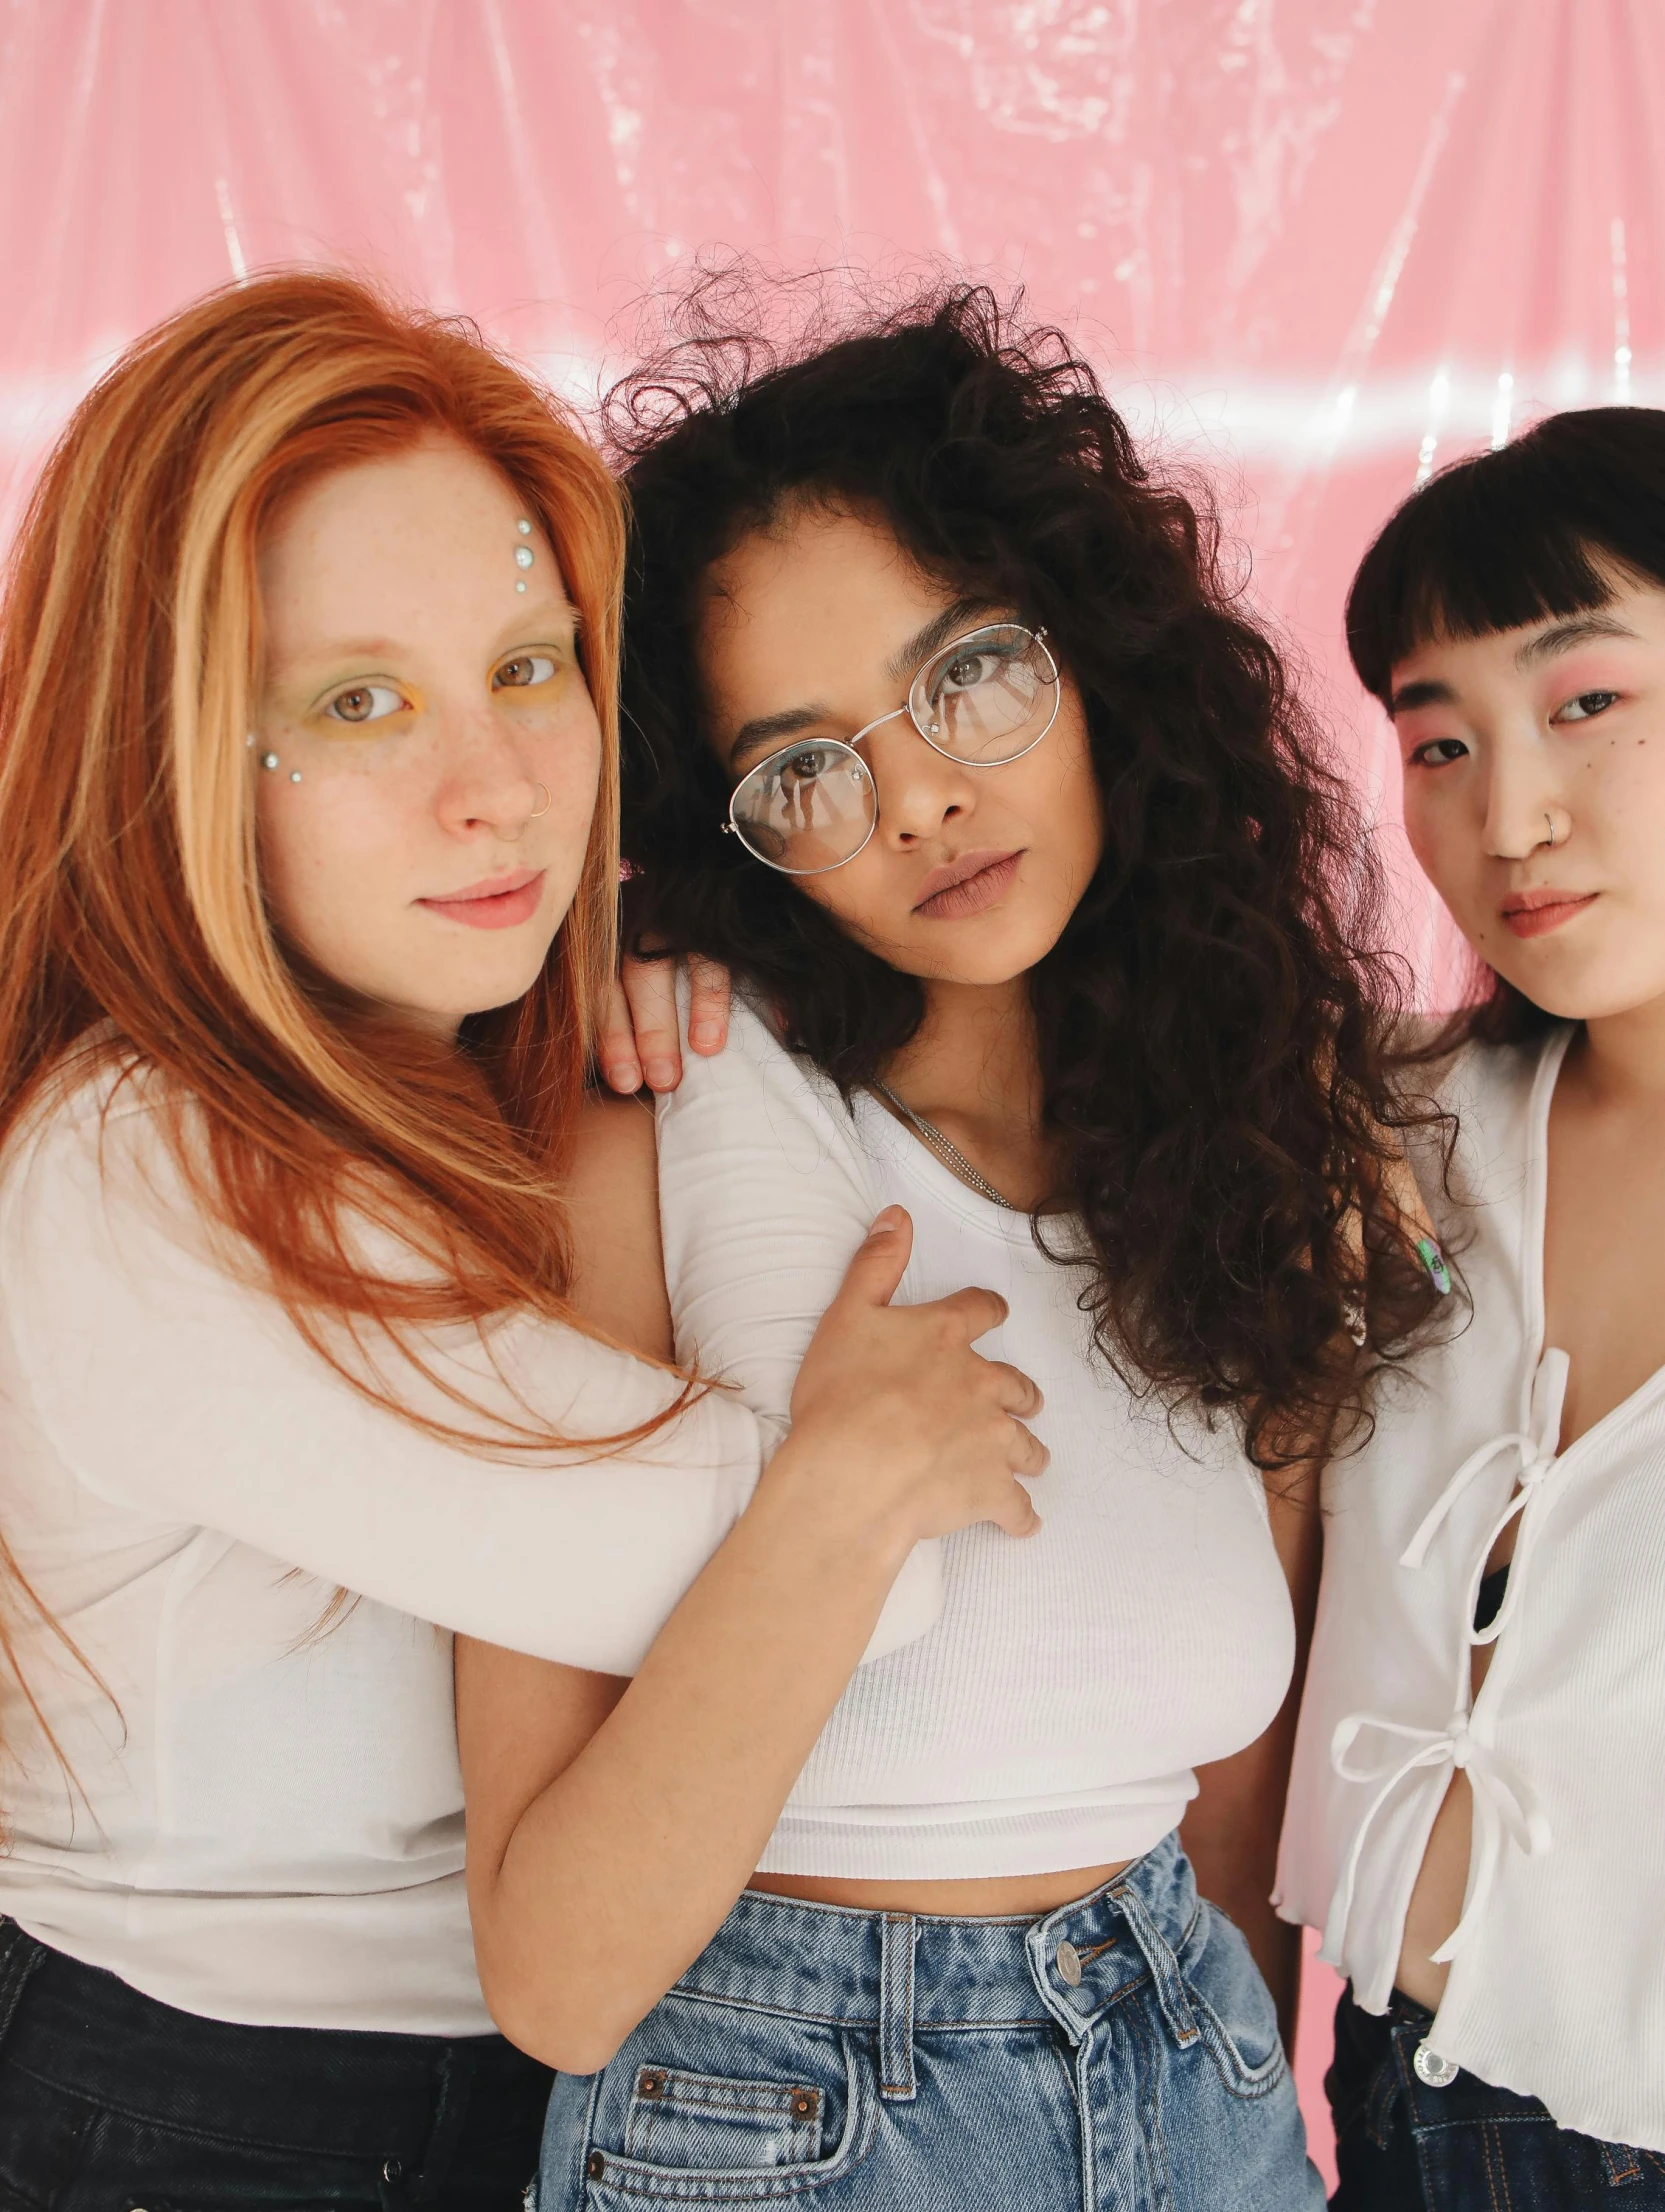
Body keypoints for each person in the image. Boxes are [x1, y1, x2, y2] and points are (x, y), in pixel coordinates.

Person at [0, 270, 1043, 2210]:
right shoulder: (147, 1168)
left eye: (532, 662)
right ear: (167, 744)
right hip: (221, 2115)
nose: (496, 787)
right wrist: (849, 1469)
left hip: (474, 2093)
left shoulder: (449, 1084)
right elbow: (867, 1576)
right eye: (357, 699)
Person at [459, 286, 1445, 2210]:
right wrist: (834, 1504)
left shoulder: (1250, 1146)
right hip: (778, 2119)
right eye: (802, 765)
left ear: (1103, 660)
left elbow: (1235, 1822)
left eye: (968, 677)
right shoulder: (656, 1106)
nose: (917, 796)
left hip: (1208, 2092)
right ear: (723, 825)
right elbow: (556, 1979)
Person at [1278, 406, 1665, 2206]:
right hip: (1401, 2086)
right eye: (1438, 741)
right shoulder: (1396, 1128)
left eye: (1588, 701)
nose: (1508, 815)